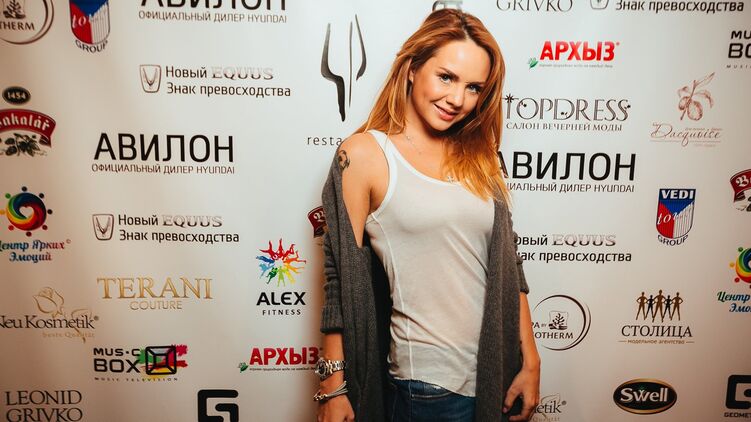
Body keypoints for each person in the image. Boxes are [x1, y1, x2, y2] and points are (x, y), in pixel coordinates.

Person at [315, 8, 540, 422]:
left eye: (474, 87)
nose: (457, 99)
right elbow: (338, 276)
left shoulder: (482, 158)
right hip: (427, 390)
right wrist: (333, 387)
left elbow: (511, 266)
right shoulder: (365, 155)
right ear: (412, 68)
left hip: (496, 377)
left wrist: (531, 361)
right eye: (446, 77)